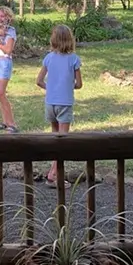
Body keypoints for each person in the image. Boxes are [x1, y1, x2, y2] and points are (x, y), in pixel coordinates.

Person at [35, 24, 82, 183]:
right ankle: (54, 175)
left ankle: (53, 171)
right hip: (65, 103)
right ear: (70, 40)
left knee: (55, 138)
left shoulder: (48, 58)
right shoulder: (74, 59)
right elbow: (79, 84)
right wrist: (67, 86)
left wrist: (51, 88)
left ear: (53, 40)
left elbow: (39, 81)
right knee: (62, 141)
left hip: (50, 103)